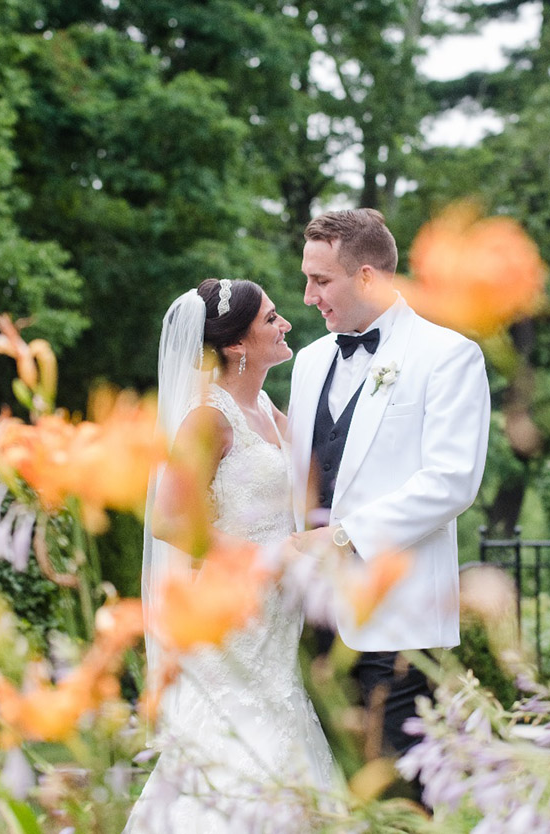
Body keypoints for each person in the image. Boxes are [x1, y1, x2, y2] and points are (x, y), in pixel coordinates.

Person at [127, 278, 340, 833]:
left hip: (276, 617)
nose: (286, 324)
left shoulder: (265, 407)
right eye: (271, 318)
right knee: (238, 746)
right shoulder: (208, 417)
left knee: (281, 735)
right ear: (236, 344)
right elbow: (171, 520)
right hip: (232, 611)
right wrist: (266, 558)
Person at [286, 208, 491, 764]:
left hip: (399, 626)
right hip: (313, 623)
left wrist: (344, 537)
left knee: (398, 792)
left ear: (367, 277)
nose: (308, 297)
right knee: (330, 787)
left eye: (321, 280)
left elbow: (451, 482)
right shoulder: (309, 362)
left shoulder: (447, 356)